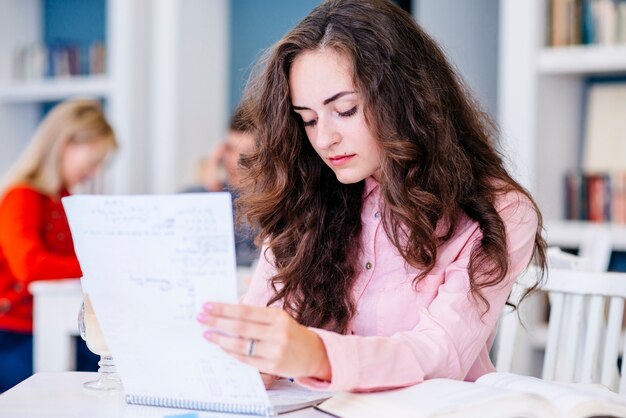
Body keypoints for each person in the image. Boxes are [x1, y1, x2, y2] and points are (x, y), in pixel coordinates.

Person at [196, 0, 547, 392]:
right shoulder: (312, 194)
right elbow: (256, 332)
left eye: (345, 110)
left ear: (406, 97)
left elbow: (440, 352)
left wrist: (317, 354)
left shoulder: (500, 211)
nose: (324, 139)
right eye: (308, 119)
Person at [0, 99, 118, 392]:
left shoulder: (61, 199)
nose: (94, 172)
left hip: (46, 325)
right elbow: (30, 266)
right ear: (65, 145)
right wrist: (97, 267)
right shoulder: (22, 196)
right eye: (93, 162)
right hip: (13, 331)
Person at [185, 106, 258, 266]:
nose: (235, 161)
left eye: (246, 152)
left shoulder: (272, 204)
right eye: (230, 149)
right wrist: (210, 189)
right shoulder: (206, 192)